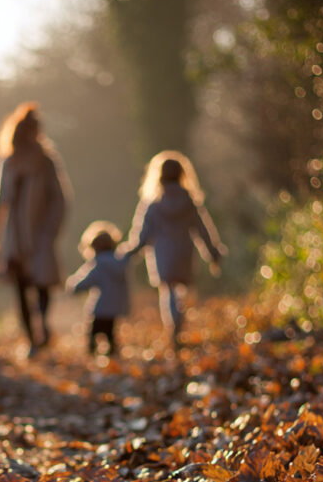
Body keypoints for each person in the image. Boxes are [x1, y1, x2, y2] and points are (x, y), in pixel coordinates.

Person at [0, 103, 68, 355]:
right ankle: (32, 338)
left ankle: (41, 327)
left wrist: (51, 230)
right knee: (20, 289)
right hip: (14, 236)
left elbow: (59, 199)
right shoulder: (7, 162)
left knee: (42, 284)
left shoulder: (47, 162)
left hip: (40, 234)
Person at [128, 150, 225, 349]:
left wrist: (129, 253)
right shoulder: (189, 201)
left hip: (163, 253)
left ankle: (173, 325)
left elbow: (143, 234)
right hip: (183, 251)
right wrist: (212, 252)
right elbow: (202, 229)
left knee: (168, 290)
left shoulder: (153, 204)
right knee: (180, 288)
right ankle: (178, 322)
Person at [66, 221, 133, 357]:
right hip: (116, 307)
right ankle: (112, 351)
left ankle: (92, 352)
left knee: (94, 331)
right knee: (109, 331)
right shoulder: (119, 262)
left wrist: (74, 286)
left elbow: (87, 280)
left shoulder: (99, 263)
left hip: (101, 307)